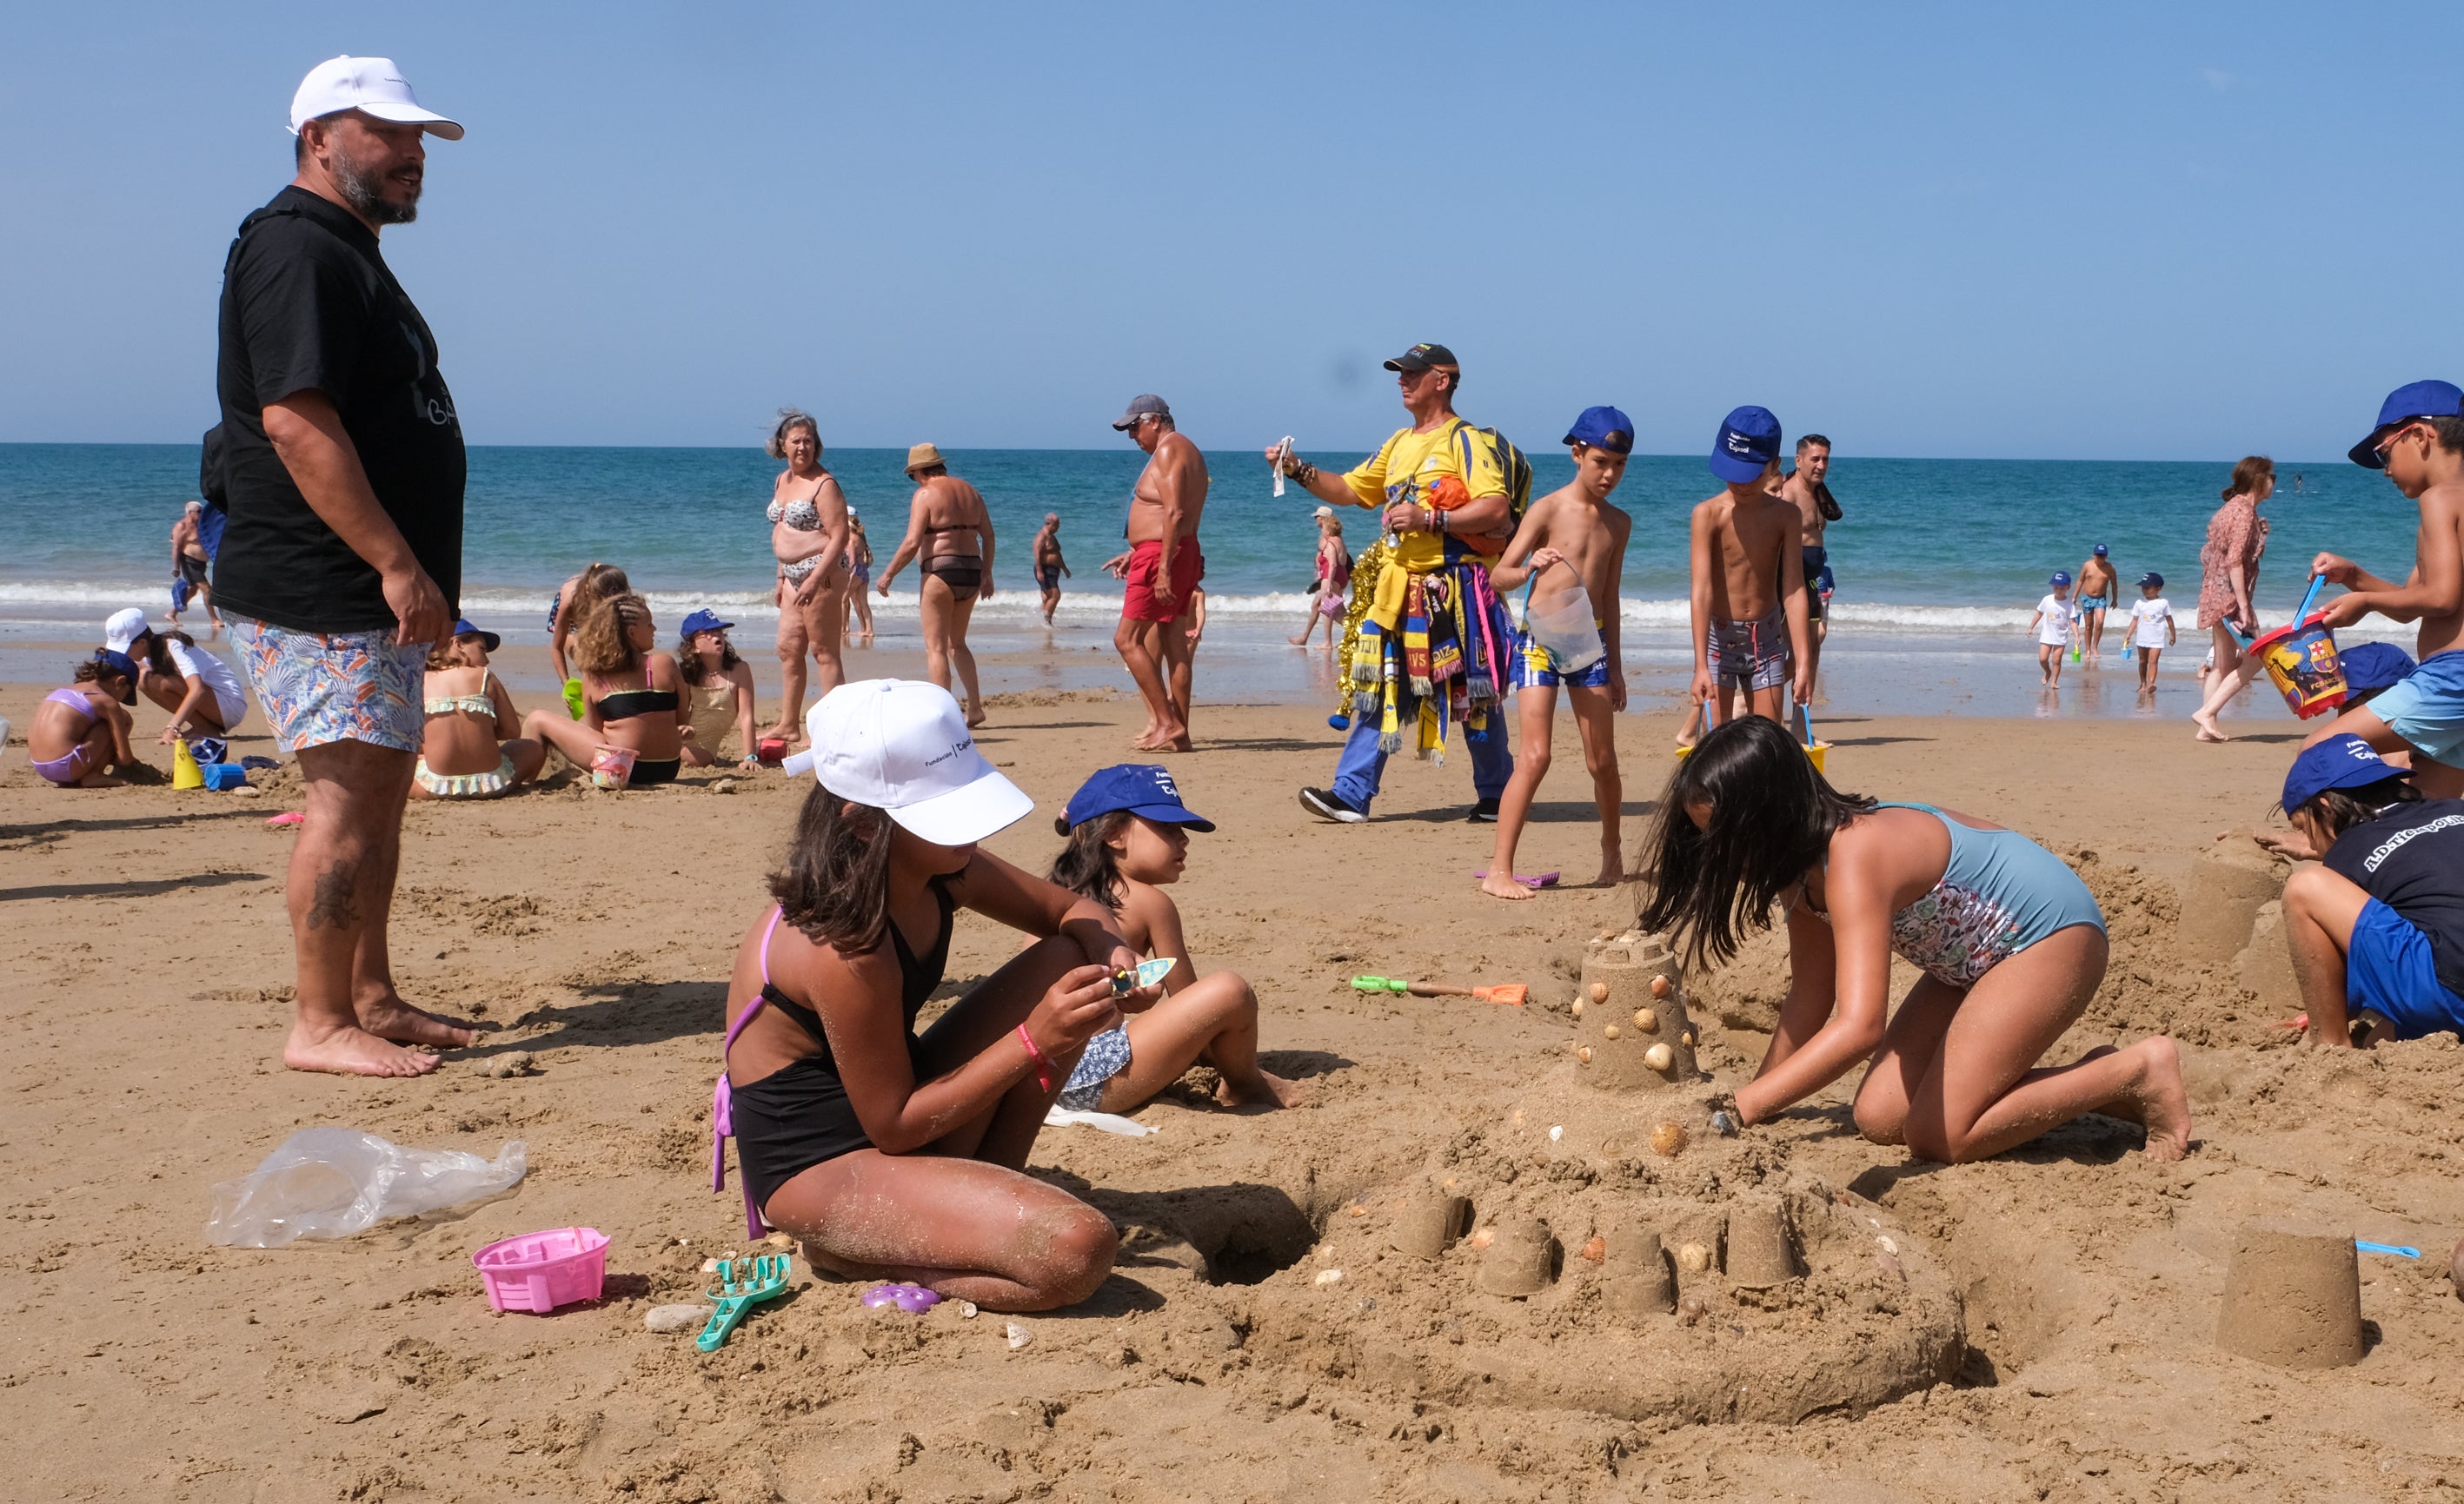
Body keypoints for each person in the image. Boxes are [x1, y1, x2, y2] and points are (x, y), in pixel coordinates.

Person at [715, 679, 1149, 1310]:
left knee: (1067, 960)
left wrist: (1118, 962)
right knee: (1075, 1250)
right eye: (948, 814)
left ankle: (974, 1200)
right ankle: (864, 1248)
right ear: (864, 825)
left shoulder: (938, 860)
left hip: (898, 1099)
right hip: (819, 1162)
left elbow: (1074, 912)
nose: (969, 831)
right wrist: (1037, 1041)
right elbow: (891, 1126)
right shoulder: (842, 946)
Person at [211, 56, 475, 1077]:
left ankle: (367, 995)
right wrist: (395, 563)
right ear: (320, 136)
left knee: (380, 788)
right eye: (391, 134)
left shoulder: (344, 248)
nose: (415, 154)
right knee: (344, 799)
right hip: (324, 581)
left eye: (419, 139)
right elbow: (295, 420)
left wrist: (411, 574)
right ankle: (318, 1024)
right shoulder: (295, 249)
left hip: (366, 587)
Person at [1636, 715, 2191, 1163]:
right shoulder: (1800, 874)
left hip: (2047, 936)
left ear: (1769, 816)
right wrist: (1764, 1098)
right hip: (1965, 964)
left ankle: (2138, 1068)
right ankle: (2101, 1083)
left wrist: (1740, 1108)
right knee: (1881, 1118)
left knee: (1939, 1135)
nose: (1719, 858)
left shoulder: (1855, 855)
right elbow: (1810, 998)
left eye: (1725, 840)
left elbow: (1860, 1027)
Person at [1270, 343, 1522, 823]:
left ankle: (1498, 794)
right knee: (1382, 685)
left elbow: (1496, 508)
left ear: (1442, 380)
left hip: (1457, 588)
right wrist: (1297, 469)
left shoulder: (1466, 441)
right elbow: (1348, 489)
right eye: (1400, 373)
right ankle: (1351, 793)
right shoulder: (1399, 442)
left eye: (1413, 373)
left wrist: (1430, 517)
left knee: (1475, 692)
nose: (1402, 380)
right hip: (1402, 590)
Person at [1046, 765, 1305, 1112]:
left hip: (1032, 1074)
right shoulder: (1149, 901)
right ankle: (1246, 1086)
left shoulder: (1054, 897)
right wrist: (1229, 1055)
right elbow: (1195, 1008)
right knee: (1230, 992)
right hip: (1091, 1076)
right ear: (1114, 835)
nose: (1183, 839)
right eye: (1167, 827)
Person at [1480, 407, 1635, 900]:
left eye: (1619, 465)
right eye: (1600, 462)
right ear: (1577, 453)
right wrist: (1530, 565)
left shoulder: (1619, 523)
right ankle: (1500, 869)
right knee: (1536, 755)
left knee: (1602, 761)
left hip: (1588, 645)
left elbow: (1609, 596)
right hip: (1540, 639)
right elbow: (1497, 574)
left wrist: (1616, 666)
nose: (1608, 474)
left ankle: (1612, 851)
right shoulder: (1547, 509)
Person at [2298, 381, 2464, 798]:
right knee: (2428, 813)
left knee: (2321, 753)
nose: (2386, 470)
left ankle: (2325, 853)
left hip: (2452, 678)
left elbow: (2443, 598)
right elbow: (2413, 605)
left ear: (2421, 436)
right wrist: (2354, 576)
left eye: (2384, 453)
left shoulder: (2440, 499)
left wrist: (2366, 601)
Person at [2268, 735, 2464, 1046]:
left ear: (2325, 806)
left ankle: (2329, 1046)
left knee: (2306, 887)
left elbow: (2353, 964)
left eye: (2302, 828)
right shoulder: (2454, 809)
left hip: (2446, 989)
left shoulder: (2345, 855)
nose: (2310, 842)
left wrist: (2330, 1010)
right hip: (2450, 968)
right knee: (2379, 1038)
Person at [1690, 406, 1815, 727]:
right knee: (1719, 746)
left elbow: (1794, 588)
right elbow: (1702, 590)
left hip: (1768, 639)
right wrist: (1700, 664)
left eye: (1751, 474)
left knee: (1766, 740)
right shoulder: (1708, 515)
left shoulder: (1786, 516)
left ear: (1774, 466)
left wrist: (1802, 662)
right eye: (1732, 472)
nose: (1740, 484)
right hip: (1719, 638)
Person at [1108, 396, 1209, 753]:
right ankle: (1180, 735)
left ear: (1155, 421)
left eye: (1135, 427)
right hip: (1179, 550)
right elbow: (1173, 515)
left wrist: (1161, 566)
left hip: (1162, 556)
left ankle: (1167, 722)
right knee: (1174, 643)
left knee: (1126, 639)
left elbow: (1175, 513)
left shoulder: (1168, 450)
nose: (1133, 436)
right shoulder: (1189, 451)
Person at [876, 443, 993, 726]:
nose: (913, 480)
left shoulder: (925, 494)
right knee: (958, 644)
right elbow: (988, 536)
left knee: (936, 648)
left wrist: (888, 573)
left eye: (912, 475)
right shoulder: (971, 492)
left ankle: (944, 718)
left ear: (919, 471)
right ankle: (975, 708)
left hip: (940, 571)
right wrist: (987, 573)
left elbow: (912, 541)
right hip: (971, 572)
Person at [521, 593, 686, 787]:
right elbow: (682, 719)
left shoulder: (595, 677)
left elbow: (595, 731)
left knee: (537, 719)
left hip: (621, 769)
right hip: (668, 767)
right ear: (631, 633)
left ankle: (525, 782)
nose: (654, 629)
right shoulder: (665, 664)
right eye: (649, 624)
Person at [761, 408, 853, 745]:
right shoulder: (782, 480)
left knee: (824, 652)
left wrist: (815, 579)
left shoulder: (824, 484)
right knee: (788, 650)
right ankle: (788, 724)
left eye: (809, 441)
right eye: (796, 441)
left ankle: (834, 730)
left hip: (822, 576)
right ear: (782, 445)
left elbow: (839, 536)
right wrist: (781, 577)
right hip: (790, 579)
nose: (803, 447)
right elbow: (782, 532)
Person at [2188, 457, 2275, 742]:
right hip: (2230, 598)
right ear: (2258, 480)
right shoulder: (2243, 513)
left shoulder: (2231, 509)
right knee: (2259, 655)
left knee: (2222, 665)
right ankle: (2208, 713)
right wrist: (2244, 605)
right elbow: (2235, 561)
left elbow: (2214, 552)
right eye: (2271, 476)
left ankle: (2206, 728)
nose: (2274, 481)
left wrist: (2260, 535)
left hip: (2214, 593)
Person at [413, 619, 545, 798]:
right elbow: (512, 730)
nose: (487, 660)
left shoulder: (419, 680)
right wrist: (481, 733)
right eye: (482, 649)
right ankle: (527, 784)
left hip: (436, 787)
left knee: (396, 764)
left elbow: (412, 736)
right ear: (458, 644)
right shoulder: (485, 676)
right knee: (532, 748)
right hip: (491, 784)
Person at [106, 606, 249, 756]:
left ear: (142, 643)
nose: (124, 655)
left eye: (125, 650)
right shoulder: (146, 655)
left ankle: (204, 729)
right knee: (143, 678)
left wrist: (173, 727)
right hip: (214, 704)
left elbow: (197, 689)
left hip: (230, 703)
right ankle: (204, 727)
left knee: (149, 679)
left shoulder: (172, 645)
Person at [1775, 434, 1840, 732]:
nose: (1821, 465)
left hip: (1814, 577)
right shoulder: (1787, 494)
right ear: (1798, 460)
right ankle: (1754, 708)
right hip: (1791, 581)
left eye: (1825, 459)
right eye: (1815, 458)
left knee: (1813, 649)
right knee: (1796, 652)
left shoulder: (1817, 492)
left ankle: (1800, 727)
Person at [28, 652, 139, 789]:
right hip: (67, 764)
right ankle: (94, 774)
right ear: (120, 681)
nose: (121, 700)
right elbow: (124, 757)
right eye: (126, 694)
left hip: (40, 766)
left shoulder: (62, 692)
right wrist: (136, 768)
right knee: (123, 718)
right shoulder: (106, 702)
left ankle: (77, 775)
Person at [676, 608, 760, 770]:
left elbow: (746, 717)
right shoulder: (688, 674)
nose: (716, 634)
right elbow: (680, 714)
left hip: (705, 750)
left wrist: (750, 757)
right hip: (681, 741)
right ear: (694, 647)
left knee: (670, 755)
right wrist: (680, 729)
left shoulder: (739, 670)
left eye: (719, 630)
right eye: (708, 632)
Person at [548, 561, 628, 706]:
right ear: (589, 593)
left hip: (599, 594)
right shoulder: (570, 602)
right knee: (586, 662)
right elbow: (556, 648)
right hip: (574, 618)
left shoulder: (620, 599)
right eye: (604, 605)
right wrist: (566, 682)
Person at [1289, 507, 1352, 649]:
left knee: (1330, 609)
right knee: (1319, 606)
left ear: (1324, 519)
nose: (1315, 519)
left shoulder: (1329, 538)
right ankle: (1305, 637)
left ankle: (1338, 639)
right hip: (1335, 575)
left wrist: (1327, 580)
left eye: (1317, 517)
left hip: (1332, 576)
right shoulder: (1333, 536)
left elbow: (1333, 562)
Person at [168, 500, 224, 635]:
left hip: (200, 564)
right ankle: (214, 619)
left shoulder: (200, 525)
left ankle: (172, 613)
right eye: (199, 511)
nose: (202, 513)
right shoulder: (181, 526)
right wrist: (176, 567)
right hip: (188, 562)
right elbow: (176, 548)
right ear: (190, 512)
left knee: (192, 591)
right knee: (207, 590)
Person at [2126, 573, 2176, 694]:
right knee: (2143, 661)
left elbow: (2169, 619)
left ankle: (2151, 683)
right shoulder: (2139, 603)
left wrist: (2173, 634)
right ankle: (2143, 683)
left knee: (2153, 661)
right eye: (2143, 587)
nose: (2144, 590)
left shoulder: (2163, 603)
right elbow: (2134, 621)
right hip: (2142, 637)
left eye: (2148, 587)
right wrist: (2128, 635)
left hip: (2157, 638)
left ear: (2158, 588)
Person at [2029, 573, 2076, 688]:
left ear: (2068, 587)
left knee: (2057, 660)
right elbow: (2039, 613)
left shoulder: (2069, 604)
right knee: (2043, 658)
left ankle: (2054, 681)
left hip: (2060, 636)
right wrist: (2031, 627)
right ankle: (2047, 671)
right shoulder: (2047, 599)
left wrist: (2077, 636)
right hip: (2047, 635)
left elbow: (2073, 621)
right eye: (2056, 587)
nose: (2058, 590)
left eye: (2062, 588)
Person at [2075, 544, 2117, 663]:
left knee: (2100, 622)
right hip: (2087, 598)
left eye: (2103, 556)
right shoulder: (2087, 565)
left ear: (2106, 556)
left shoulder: (2110, 568)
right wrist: (2074, 597)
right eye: (2098, 556)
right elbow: (2080, 580)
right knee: (2089, 625)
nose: (2100, 558)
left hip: (2101, 599)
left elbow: (2114, 584)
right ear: (2094, 555)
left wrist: (2115, 599)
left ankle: (2095, 647)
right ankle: (2088, 650)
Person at [842, 512, 875, 646]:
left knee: (843, 599)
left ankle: (844, 628)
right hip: (864, 571)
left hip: (855, 571)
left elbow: (851, 562)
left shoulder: (851, 540)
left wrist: (847, 574)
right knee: (862, 602)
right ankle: (868, 629)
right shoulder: (861, 538)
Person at [1033, 513, 1071, 626]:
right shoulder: (1042, 536)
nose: (1058, 527)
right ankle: (1046, 622)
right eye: (1056, 525)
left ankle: (1038, 622)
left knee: (1046, 597)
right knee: (1055, 595)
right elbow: (1037, 554)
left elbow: (1057, 554)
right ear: (1049, 523)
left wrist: (1064, 568)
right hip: (1045, 570)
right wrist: (1039, 571)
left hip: (1053, 570)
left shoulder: (1051, 536)